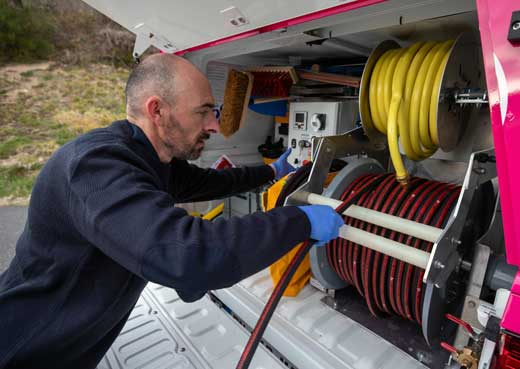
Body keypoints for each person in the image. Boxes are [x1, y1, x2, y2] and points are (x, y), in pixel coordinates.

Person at [0, 54, 344, 368]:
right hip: (23, 348)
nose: (213, 125)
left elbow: (205, 183)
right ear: (157, 110)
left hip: (71, 348)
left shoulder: (149, 159)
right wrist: (299, 221)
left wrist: (272, 172)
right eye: (203, 111)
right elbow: (189, 258)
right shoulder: (95, 166)